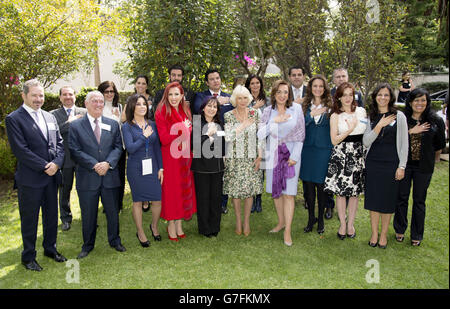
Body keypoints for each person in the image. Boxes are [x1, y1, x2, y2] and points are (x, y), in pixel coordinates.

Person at [6, 79, 67, 271]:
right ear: (24, 96)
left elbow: (59, 143)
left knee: (51, 216)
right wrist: (44, 166)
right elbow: (21, 150)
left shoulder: (50, 117)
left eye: (41, 95)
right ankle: (28, 256)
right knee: (30, 219)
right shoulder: (14, 118)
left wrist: (56, 163)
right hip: (31, 179)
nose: (38, 99)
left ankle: (50, 249)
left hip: (51, 178)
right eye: (34, 95)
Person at [69, 91, 125, 258]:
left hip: (110, 176)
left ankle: (115, 241)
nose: (98, 104)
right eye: (94, 101)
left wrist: (108, 163)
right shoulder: (76, 126)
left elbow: (118, 147)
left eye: (101, 101)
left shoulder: (113, 124)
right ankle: (87, 245)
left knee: (113, 212)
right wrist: (94, 165)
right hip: (87, 178)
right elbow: (74, 150)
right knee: (88, 214)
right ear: (86, 104)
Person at [394, 88, 446, 246]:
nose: (420, 103)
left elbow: (440, 144)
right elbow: (396, 139)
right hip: (405, 165)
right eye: (416, 100)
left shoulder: (435, 121)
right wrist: (411, 131)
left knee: (419, 200)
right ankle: (400, 229)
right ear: (410, 102)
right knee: (401, 198)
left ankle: (416, 234)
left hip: (424, 167)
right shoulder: (403, 119)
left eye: (423, 100)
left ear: (427, 102)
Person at [257, 80, 305, 246]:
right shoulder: (268, 111)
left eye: (285, 92)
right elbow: (260, 134)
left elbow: (300, 135)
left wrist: (295, 156)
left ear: (289, 94)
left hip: (291, 154)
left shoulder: (297, 109)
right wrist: (274, 122)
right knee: (276, 191)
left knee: (289, 193)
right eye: (279, 92)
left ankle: (288, 231)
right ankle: (280, 222)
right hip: (273, 154)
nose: (282, 95)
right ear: (274, 94)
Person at [363, 83, 408, 249]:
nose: (382, 98)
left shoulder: (399, 117)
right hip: (373, 164)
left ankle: (383, 235)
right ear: (375, 97)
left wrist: (402, 166)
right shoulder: (371, 116)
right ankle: (374, 233)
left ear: (391, 97)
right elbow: (366, 142)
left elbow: (404, 144)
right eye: (380, 95)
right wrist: (379, 125)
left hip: (392, 164)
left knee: (388, 201)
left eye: (386, 95)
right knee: (374, 200)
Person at [324, 82, 367, 240]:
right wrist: (350, 129)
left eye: (350, 94)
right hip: (341, 155)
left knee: (354, 193)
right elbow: (334, 140)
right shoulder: (335, 115)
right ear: (339, 97)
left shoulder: (362, 111)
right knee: (341, 193)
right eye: (344, 95)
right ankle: (342, 223)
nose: (348, 98)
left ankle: (351, 224)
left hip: (357, 155)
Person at [154, 82, 197, 242]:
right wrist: (182, 129)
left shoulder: (185, 109)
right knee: (172, 192)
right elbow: (164, 139)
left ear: (181, 95)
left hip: (184, 156)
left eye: (176, 94)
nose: (173, 98)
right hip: (170, 158)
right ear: (166, 95)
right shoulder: (161, 111)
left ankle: (179, 224)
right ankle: (171, 225)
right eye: (170, 94)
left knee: (182, 190)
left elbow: (189, 133)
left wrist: (185, 130)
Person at [122, 94, 164, 246]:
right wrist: (143, 137)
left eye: (144, 104)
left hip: (152, 166)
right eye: (138, 104)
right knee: (138, 201)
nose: (142, 106)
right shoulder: (126, 126)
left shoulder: (152, 124)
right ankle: (140, 231)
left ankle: (154, 225)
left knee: (157, 199)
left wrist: (161, 167)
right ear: (132, 107)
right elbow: (130, 149)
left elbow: (157, 147)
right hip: (136, 168)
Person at [223, 85, 263, 237]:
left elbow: (260, 136)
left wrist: (260, 156)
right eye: (239, 98)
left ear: (249, 99)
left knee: (249, 191)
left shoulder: (255, 113)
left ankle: (246, 221)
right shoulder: (228, 115)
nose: (242, 101)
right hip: (234, 156)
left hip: (252, 156)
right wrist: (243, 126)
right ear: (235, 99)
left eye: (245, 98)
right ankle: (238, 220)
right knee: (235, 190)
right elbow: (228, 137)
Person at [193, 68, 233, 214]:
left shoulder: (229, 97)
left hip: (222, 138)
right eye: (212, 79)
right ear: (207, 82)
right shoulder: (200, 96)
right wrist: (216, 102)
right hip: (205, 138)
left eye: (217, 78)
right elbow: (198, 108)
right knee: (206, 180)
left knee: (221, 177)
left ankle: (222, 204)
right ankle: (205, 209)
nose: (216, 81)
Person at [299, 75, 333, 235]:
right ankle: (310, 218)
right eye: (315, 86)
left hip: (323, 151)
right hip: (307, 151)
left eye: (321, 86)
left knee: (321, 187)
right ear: (310, 88)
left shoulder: (331, 106)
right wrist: (312, 115)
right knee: (308, 188)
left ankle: (320, 220)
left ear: (324, 88)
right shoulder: (304, 106)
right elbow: (300, 126)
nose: (318, 89)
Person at [50, 86, 86, 231]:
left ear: (75, 96)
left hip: (82, 158)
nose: (68, 97)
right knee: (65, 190)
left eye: (70, 94)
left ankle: (87, 216)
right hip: (64, 159)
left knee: (85, 189)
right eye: (64, 95)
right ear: (60, 98)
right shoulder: (53, 115)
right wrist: (69, 122)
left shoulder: (84, 112)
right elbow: (54, 132)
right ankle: (65, 218)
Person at [191, 96, 225, 238]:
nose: (212, 109)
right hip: (202, 168)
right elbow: (195, 147)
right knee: (203, 198)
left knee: (216, 198)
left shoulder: (219, 123)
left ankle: (215, 227)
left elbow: (223, 145)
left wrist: (224, 158)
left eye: (215, 107)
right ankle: (205, 229)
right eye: (209, 106)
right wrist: (210, 136)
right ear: (203, 107)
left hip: (217, 167)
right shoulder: (198, 122)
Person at [98, 81, 126, 213]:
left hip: (120, 146)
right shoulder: (98, 107)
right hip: (104, 147)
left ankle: (119, 204)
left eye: (112, 91)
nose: (109, 94)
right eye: (106, 92)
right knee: (106, 177)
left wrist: (118, 119)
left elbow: (122, 125)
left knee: (120, 176)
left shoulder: (119, 107)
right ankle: (107, 205)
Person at [245, 74, 270, 213]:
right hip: (248, 139)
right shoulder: (245, 99)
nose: (255, 86)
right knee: (251, 169)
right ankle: (251, 198)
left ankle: (258, 199)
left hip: (263, 139)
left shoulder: (268, 101)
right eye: (252, 83)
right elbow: (243, 117)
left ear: (261, 84)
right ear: (249, 85)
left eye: (257, 83)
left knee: (260, 170)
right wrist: (255, 107)